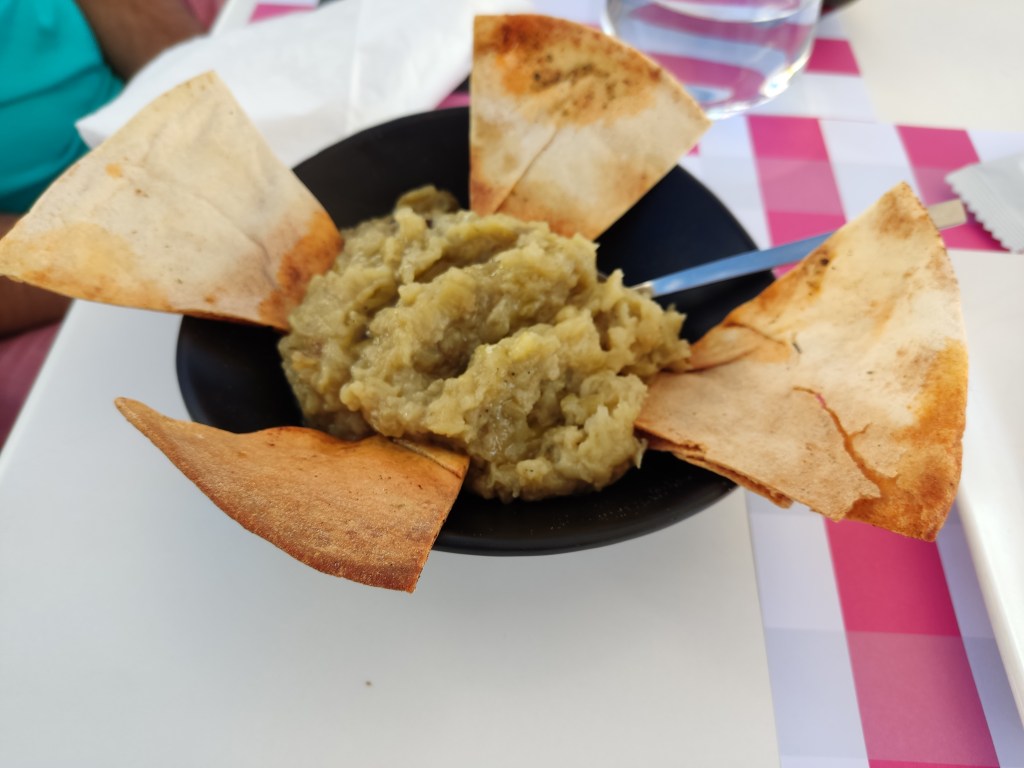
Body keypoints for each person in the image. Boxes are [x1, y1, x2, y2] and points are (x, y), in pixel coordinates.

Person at [0, 0, 206, 336]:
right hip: (66, 277)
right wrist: (129, 248)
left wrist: (209, 126)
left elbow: (185, 65)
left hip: (171, 142)